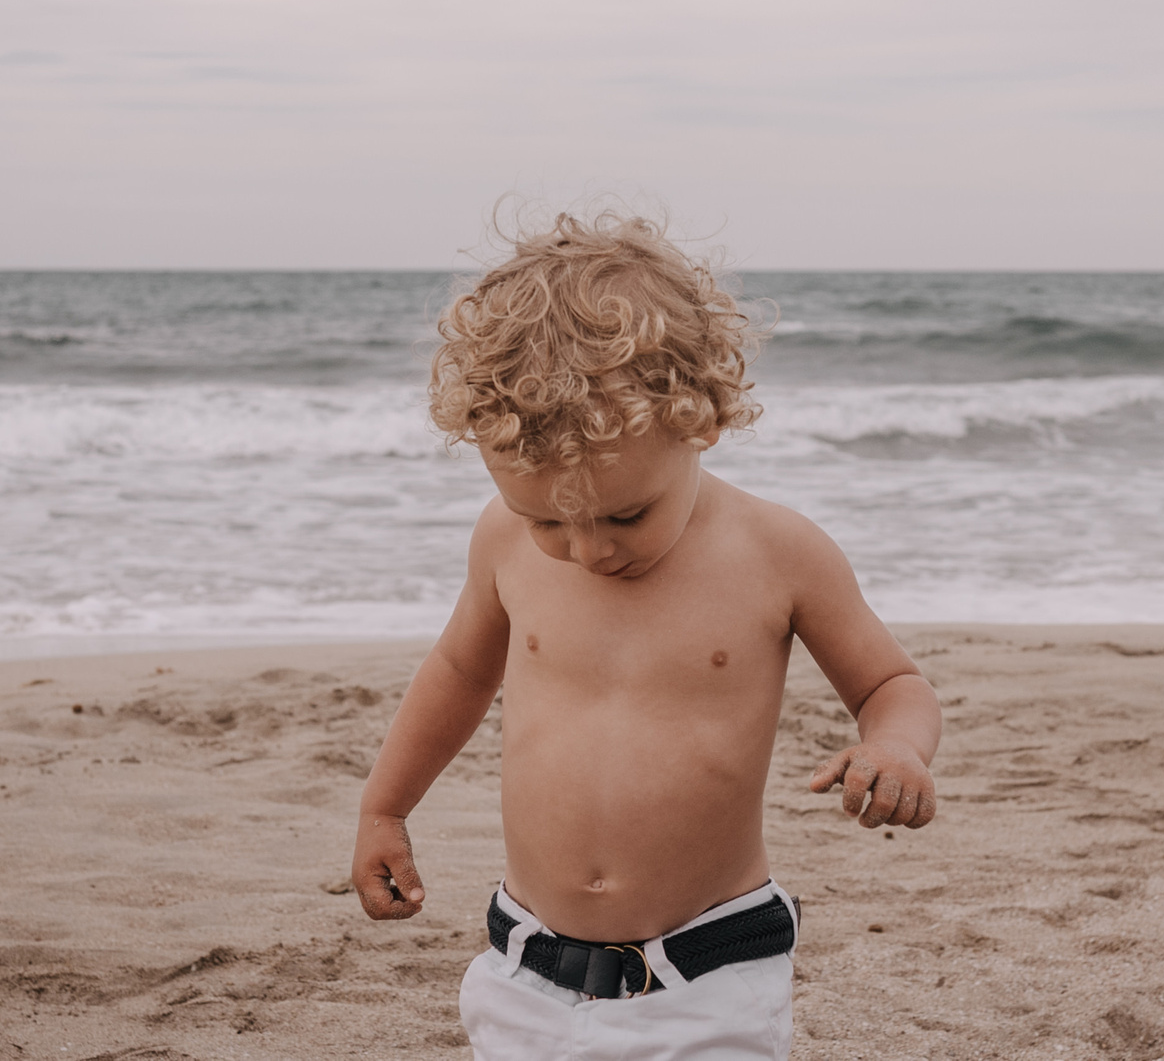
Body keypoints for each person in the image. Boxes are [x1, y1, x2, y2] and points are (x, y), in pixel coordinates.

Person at [352, 213, 942, 1060]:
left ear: (699, 418)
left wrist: (897, 747)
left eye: (625, 513)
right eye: (548, 519)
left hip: (709, 977)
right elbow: (456, 671)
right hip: (525, 968)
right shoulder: (502, 539)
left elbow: (894, 684)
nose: (589, 549)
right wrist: (386, 805)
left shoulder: (776, 552)